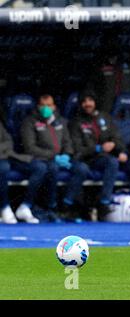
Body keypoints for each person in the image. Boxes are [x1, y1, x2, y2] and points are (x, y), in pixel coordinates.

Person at [66, 91, 130, 220]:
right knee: (111, 162)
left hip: (107, 156)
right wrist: (97, 148)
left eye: (90, 100)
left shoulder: (104, 118)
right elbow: (78, 150)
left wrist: (120, 151)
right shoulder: (76, 122)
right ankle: (104, 203)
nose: (87, 104)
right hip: (89, 159)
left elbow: (117, 138)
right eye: (84, 101)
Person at [15, 94, 74, 223]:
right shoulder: (29, 122)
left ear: (54, 107)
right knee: (44, 167)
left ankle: (53, 208)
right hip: (33, 159)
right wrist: (54, 156)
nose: (46, 108)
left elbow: (68, 142)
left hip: (56, 160)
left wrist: (67, 155)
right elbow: (30, 148)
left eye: (49, 105)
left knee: (74, 168)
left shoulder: (61, 122)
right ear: (38, 106)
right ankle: (29, 205)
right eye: (43, 105)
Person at [0, 121, 33, 223]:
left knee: (39, 167)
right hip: (3, 155)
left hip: (3, 156)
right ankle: (4, 206)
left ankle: (24, 206)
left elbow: (8, 141)